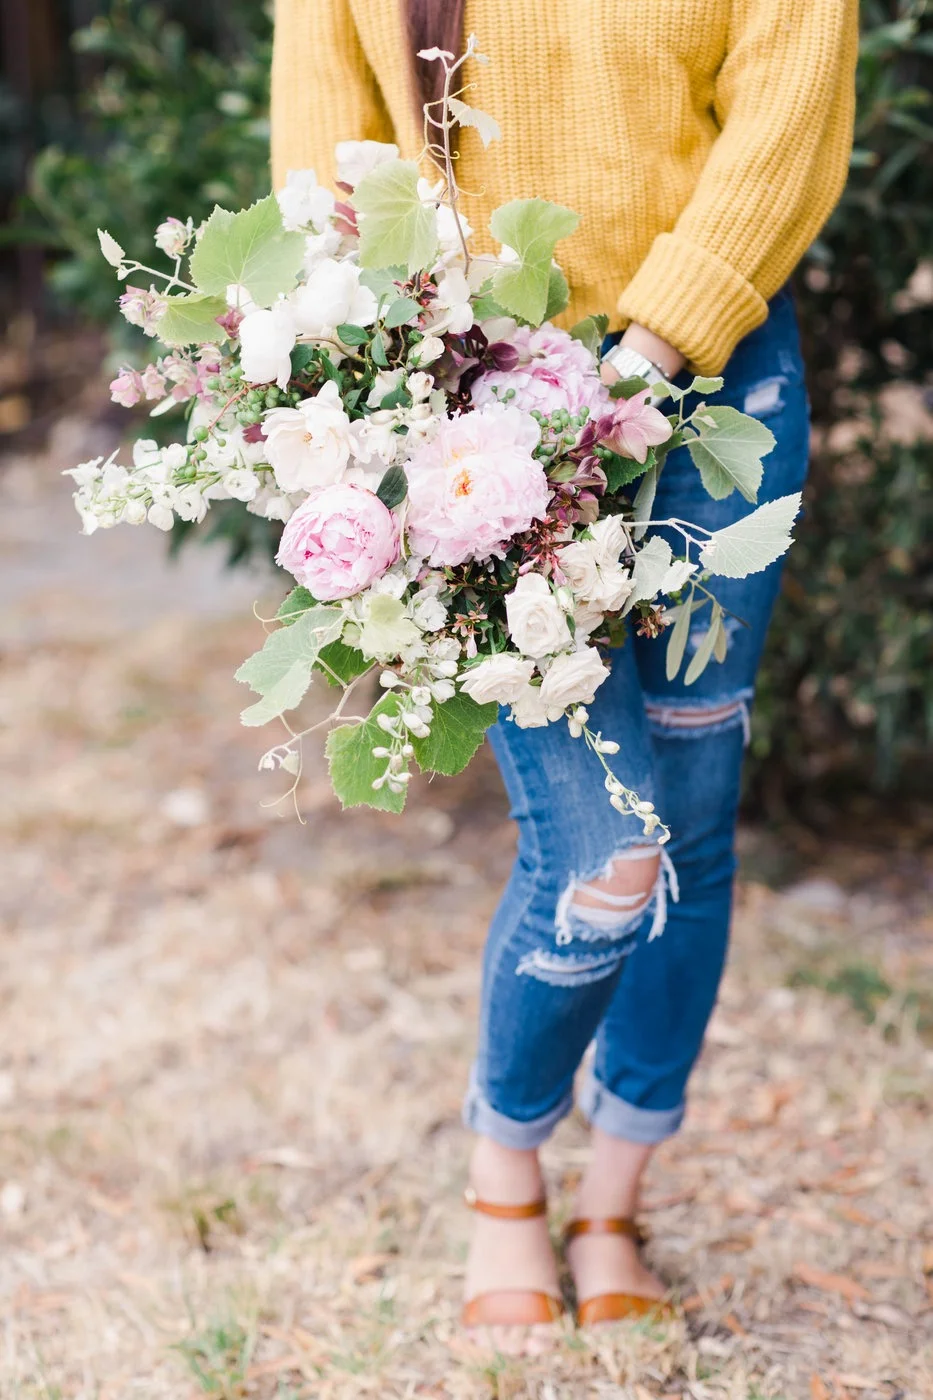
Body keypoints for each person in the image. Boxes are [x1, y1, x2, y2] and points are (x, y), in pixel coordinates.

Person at [271, 0, 859, 1349]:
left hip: (712, 386)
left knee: (692, 816)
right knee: (604, 845)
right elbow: (318, 174)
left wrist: (641, 358)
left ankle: (612, 1196)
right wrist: (398, 390)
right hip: (467, 413)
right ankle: (503, 1181)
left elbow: (788, 119)